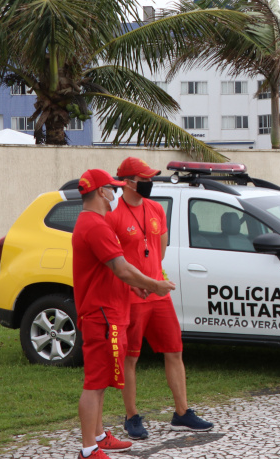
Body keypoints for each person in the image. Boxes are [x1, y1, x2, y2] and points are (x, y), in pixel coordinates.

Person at [107, 158, 214, 439]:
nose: (150, 183)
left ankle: (182, 412)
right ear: (129, 182)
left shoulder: (155, 209)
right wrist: (136, 283)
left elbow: (160, 249)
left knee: (174, 350)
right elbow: (113, 264)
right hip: (131, 296)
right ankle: (131, 416)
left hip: (157, 293)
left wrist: (152, 280)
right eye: (145, 178)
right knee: (130, 358)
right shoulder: (114, 216)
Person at [73, 169, 175, 458]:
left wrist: (136, 288)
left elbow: (112, 270)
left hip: (109, 311)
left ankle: (99, 435)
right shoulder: (95, 226)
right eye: (112, 189)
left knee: (102, 378)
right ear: (101, 192)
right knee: (94, 382)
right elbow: (121, 267)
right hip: (101, 314)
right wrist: (154, 285)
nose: (115, 194)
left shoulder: (95, 222)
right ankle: (89, 449)